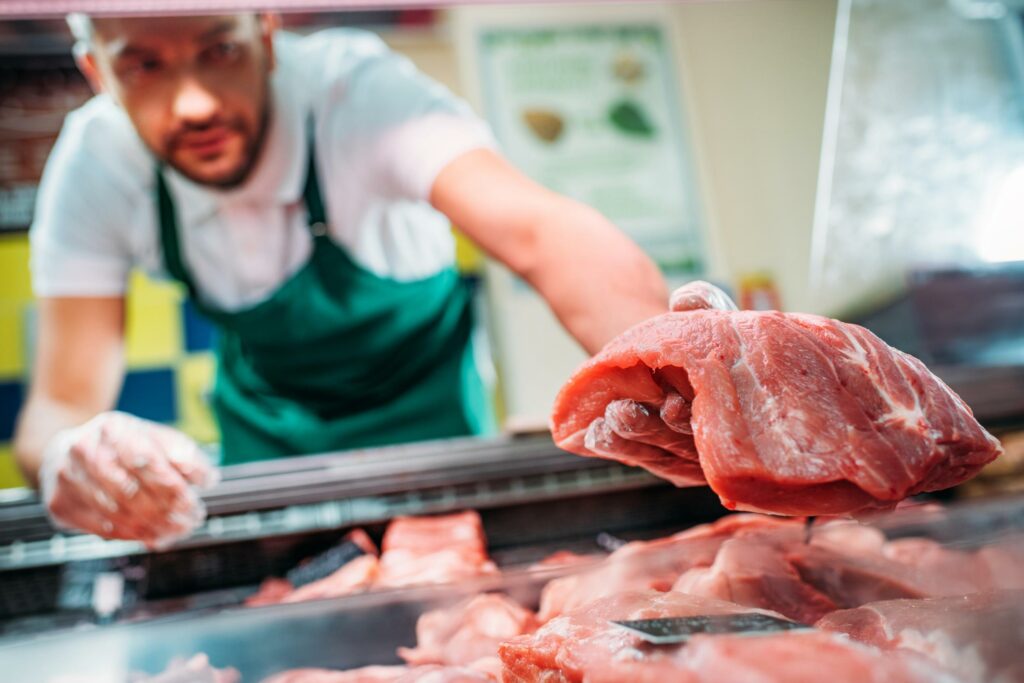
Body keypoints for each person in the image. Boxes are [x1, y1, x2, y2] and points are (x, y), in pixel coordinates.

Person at [12, 13, 668, 546]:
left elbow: (543, 234)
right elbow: (60, 406)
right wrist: (74, 455)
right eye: (143, 65)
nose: (194, 103)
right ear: (97, 71)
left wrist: (674, 368)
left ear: (265, 35)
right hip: (271, 448)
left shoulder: (361, 94)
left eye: (220, 51)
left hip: (433, 429)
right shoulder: (97, 162)